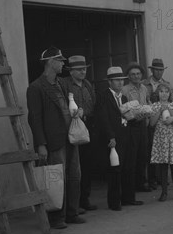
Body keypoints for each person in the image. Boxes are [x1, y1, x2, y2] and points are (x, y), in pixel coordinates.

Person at [26, 46, 84, 228]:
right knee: (56, 179)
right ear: (50, 62)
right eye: (60, 60)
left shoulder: (62, 84)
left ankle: (72, 213)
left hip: (70, 138)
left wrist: (77, 112)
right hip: (53, 141)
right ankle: (57, 217)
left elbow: (69, 105)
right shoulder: (36, 88)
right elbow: (34, 119)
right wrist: (41, 145)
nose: (62, 63)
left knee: (74, 176)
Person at [96, 66, 143, 210]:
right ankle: (114, 202)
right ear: (109, 82)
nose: (120, 83)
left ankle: (128, 198)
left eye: (121, 80)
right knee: (115, 169)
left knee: (129, 166)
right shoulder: (103, 96)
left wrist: (137, 117)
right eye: (116, 80)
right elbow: (103, 118)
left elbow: (127, 116)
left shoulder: (123, 97)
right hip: (114, 137)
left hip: (126, 134)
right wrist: (110, 136)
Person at [61, 55, 97, 212]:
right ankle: (72, 204)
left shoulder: (88, 84)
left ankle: (85, 199)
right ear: (71, 71)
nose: (83, 72)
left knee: (87, 164)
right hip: (72, 128)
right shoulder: (64, 84)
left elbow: (93, 103)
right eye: (79, 69)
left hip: (87, 127)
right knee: (74, 167)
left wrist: (86, 113)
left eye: (84, 69)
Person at [149, 83, 173, 201]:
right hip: (161, 138)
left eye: (166, 92)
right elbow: (151, 123)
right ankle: (164, 192)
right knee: (163, 165)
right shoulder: (155, 106)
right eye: (161, 91)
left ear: (169, 94)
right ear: (158, 94)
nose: (164, 94)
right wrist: (160, 111)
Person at [142, 58, 173, 190]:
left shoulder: (167, 84)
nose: (159, 72)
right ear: (152, 70)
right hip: (152, 118)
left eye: (161, 70)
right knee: (152, 150)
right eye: (157, 70)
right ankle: (151, 180)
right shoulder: (145, 84)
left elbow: (172, 100)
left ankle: (162, 178)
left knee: (164, 150)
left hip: (165, 120)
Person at [122, 63, 151, 193]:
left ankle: (141, 182)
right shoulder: (125, 90)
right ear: (128, 76)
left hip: (143, 125)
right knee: (131, 155)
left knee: (142, 154)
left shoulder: (144, 88)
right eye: (133, 74)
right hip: (131, 125)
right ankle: (131, 185)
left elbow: (147, 103)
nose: (136, 76)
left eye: (138, 73)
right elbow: (123, 109)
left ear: (141, 75)